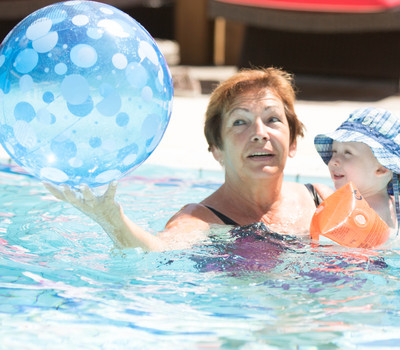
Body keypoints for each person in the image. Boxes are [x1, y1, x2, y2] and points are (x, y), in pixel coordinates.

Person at [45, 67, 332, 251]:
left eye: (272, 119)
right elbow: (157, 249)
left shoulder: (319, 198)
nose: (260, 133)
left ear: (293, 142)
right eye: (240, 122)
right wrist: (111, 219)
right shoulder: (201, 220)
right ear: (217, 149)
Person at [314, 107, 400, 236]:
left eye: (348, 153)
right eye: (334, 152)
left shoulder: (357, 213)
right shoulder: (392, 207)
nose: (333, 161)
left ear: (382, 168)